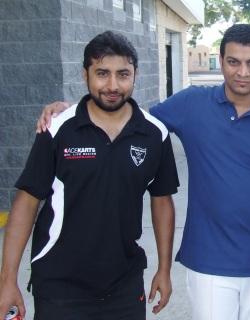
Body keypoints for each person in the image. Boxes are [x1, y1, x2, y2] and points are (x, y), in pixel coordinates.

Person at [35, 24, 250, 320]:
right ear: (220, 61)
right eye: (234, 62)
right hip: (209, 263)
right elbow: (129, 117)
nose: (243, 72)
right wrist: (70, 110)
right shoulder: (191, 103)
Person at [0, 31, 179, 319]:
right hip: (60, 285)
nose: (112, 85)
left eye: (123, 74)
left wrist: (165, 269)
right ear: (85, 75)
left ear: (135, 75)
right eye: (102, 73)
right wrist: (7, 280)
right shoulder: (58, 129)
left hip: (124, 284)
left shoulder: (154, 133)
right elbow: (27, 202)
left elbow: (162, 201)